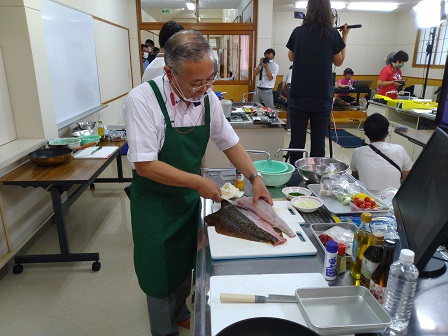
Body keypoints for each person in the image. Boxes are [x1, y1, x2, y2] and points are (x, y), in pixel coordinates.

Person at [123, 30, 272, 336]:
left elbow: (229, 142)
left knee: (183, 260)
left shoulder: (207, 99)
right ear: (170, 72)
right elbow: (145, 165)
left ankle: (181, 312)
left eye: (209, 80)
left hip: (185, 199)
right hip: (155, 202)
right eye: (195, 82)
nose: (204, 88)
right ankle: (163, 330)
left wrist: (254, 177)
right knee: (158, 268)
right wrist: (197, 182)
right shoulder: (142, 100)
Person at [286, 0, 350, 165]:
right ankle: (315, 179)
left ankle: (294, 180)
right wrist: (344, 37)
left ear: (309, 10)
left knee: (297, 142)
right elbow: (339, 62)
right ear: (327, 10)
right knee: (318, 143)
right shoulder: (332, 34)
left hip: (299, 95)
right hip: (321, 96)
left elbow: (291, 57)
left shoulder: (298, 32)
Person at [350, 113, 412, 194]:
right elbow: (407, 174)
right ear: (387, 134)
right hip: (392, 200)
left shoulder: (358, 152)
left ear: (366, 134)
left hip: (367, 201)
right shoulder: (399, 149)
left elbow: (355, 174)